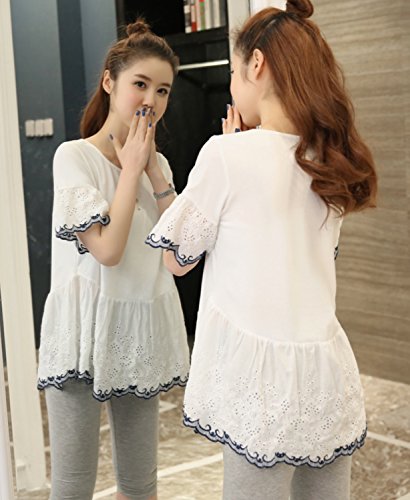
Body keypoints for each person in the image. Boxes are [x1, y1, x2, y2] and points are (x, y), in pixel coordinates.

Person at [146, 1, 377, 499]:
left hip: (259, 386)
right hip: (326, 374)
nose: (232, 84)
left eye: (233, 71)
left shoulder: (225, 155)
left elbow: (177, 259)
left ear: (256, 64)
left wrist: (215, 161)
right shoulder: (329, 160)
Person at [37, 19, 190, 500]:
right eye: (140, 84)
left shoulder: (157, 167)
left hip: (136, 335)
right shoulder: (74, 157)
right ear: (109, 82)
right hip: (81, 335)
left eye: (162, 90)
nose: (151, 100)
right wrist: (131, 170)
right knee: (73, 486)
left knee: (141, 487)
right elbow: (106, 250)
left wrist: (154, 174)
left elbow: (181, 257)